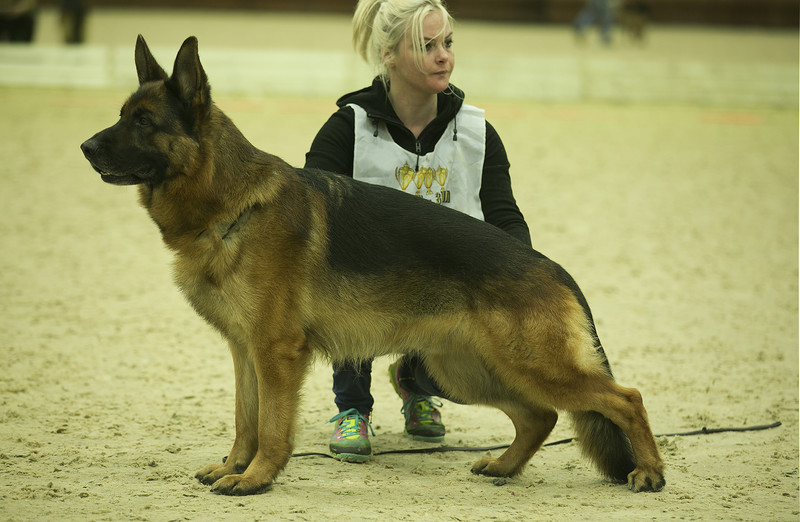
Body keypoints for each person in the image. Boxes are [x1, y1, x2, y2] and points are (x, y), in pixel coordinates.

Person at [304, 0, 532, 463]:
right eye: (427, 46)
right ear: (388, 54)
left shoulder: (477, 131)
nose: (443, 56)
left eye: (447, 43)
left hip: (448, 289)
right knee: (340, 273)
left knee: (485, 377)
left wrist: (525, 280)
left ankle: (416, 381)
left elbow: (505, 216)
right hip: (365, 287)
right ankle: (353, 408)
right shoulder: (347, 128)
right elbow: (306, 212)